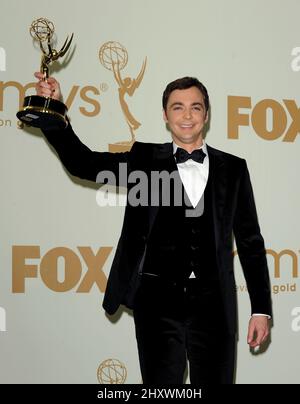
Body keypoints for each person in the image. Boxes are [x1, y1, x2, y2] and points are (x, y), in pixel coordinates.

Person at [34, 73, 272, 384]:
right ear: (165, 115)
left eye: (195, 107)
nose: (187, 115)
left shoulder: (234, 168)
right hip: (156, 306)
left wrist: (261, 309)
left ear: (207, 114)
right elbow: (83, 163)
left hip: (215, 308)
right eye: (177, 107)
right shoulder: (144, 160)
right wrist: (53, 108)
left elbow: (251, 242)